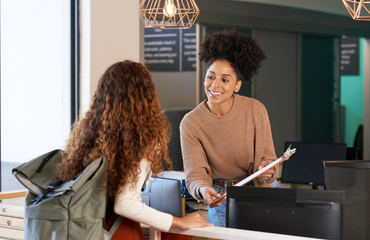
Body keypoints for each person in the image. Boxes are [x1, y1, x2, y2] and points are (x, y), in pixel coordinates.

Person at [56, 60, 212, 239]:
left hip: (87, 226)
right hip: (118, 230)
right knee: (178, 235)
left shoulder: (91, 133)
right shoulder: (139, 139)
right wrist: (178, 221)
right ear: (147, 96)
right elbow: (125, 204)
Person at [180, 30, 279, 227]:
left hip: (260, 192)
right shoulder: (191, 123)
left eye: (225, 79)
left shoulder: (255, 110)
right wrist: (202, 190)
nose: (215, 85)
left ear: (237, 86)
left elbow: (271, 161)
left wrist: (269, 169)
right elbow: (195, 175)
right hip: (220, 198)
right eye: (210, 77)